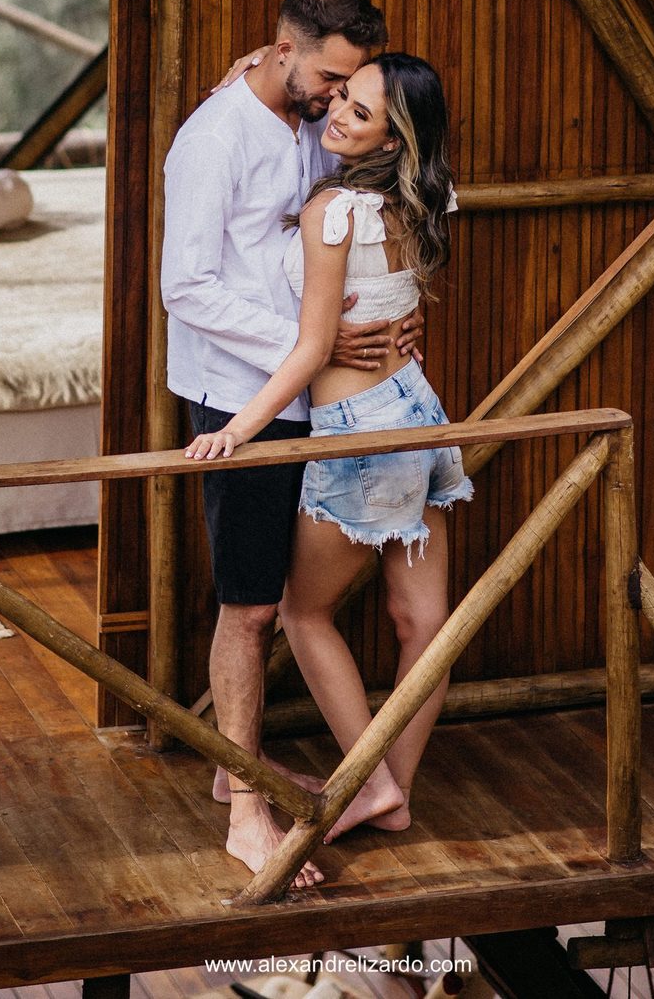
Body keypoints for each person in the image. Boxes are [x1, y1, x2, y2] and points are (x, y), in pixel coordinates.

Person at [160, 0, 423, 890]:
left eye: (349, 88)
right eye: (326, 80)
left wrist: (366, 332)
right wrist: (314, 344)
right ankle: (244, 808)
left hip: (331, 399)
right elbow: (185, 287)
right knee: (251, 605)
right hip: (241, 398)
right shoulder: (213, 139)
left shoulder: (314, 115)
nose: (334, 100)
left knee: (303, 601)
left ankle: (298, 773)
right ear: (284, 52)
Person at [186, 52, 473, 850]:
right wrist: (239, 78)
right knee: (425, 622)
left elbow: (312, 350)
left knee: (306, 614)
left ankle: (374, 782)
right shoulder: (422, 200)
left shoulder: (334, 213)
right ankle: (396, 795)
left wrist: (236, 429)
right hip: (419, 411)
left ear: (393, 135)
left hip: (356, 433)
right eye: (341, 95)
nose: (337, 114)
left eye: (359, 111)